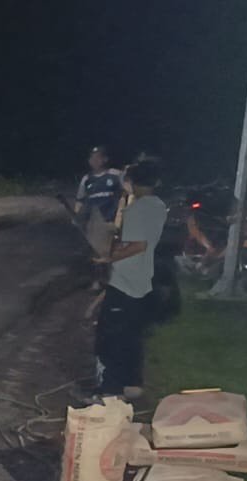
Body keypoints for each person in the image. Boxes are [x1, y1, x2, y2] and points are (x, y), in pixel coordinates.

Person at [91, 159, 166, 401]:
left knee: (110, 337)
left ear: (131, 182)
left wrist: (108, 257)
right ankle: (132, 384)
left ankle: (110, 390)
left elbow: (137, 245)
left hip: (125, 282)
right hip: (142, 280)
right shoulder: (158, 205)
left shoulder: (136, 210)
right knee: (132, 335)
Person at [73, 146, 125, 289]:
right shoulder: (87, 179)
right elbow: (80, 200)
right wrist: (77, 217)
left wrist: (120, 218)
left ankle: (115, 281)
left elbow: (126, 195)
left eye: (98, 158)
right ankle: (97, 280)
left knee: (112, 252)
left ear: (105, 159)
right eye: (92, 158)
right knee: (95, 253)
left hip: (111, 220)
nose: (94, 161)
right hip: (93, 222)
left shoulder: (115, 175)